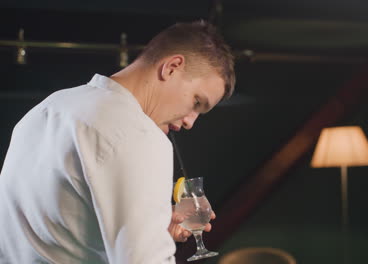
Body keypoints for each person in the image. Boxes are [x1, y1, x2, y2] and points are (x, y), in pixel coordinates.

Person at [0, 20, 235, 263]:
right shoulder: (139, 134)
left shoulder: (49, 107)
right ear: (172, 67)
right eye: (197, 102)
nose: (190, 122)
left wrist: (152, 231)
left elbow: (53, 231)